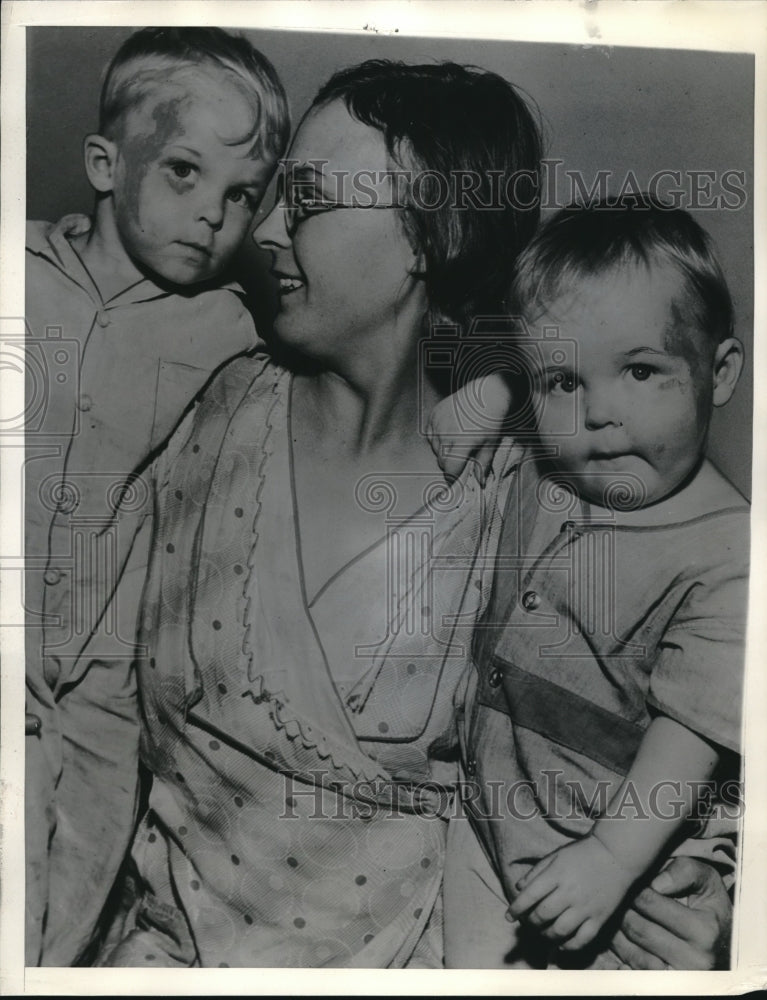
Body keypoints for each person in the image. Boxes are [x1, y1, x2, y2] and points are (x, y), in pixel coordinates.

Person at [97, 64, 733, 969]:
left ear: (430, 234)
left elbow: (686, 714)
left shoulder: (538, 504)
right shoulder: (199, 395)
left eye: (308, 200)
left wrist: (707, 913)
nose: (266, 229)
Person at [24, 27, 289, 965]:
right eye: (183, 172)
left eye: (241, 194)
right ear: (104, 163)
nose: (214, 214)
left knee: (62, 920)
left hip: (100, 691)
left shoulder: (232, 330)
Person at [437, 197, 747, 968]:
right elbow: (439, 439)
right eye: (565, 381)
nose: (598, 412)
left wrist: (609, 860)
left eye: (640, 371)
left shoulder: (730, 554)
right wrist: (518, 381)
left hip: (614, 862)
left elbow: (692, 738)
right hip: (482, 825)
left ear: (719, 373)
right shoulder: (542, 466)